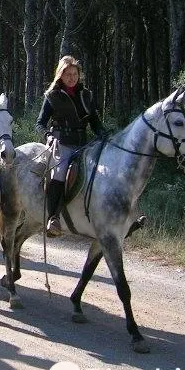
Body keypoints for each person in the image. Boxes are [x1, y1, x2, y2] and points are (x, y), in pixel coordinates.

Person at [36, 55, 105, 237]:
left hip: (84, 145)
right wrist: (48, 136)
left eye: (74, 74)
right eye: (68, 74)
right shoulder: (52, 96)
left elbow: (95, 122)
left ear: (79, 75)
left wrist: (105, 135)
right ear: (60, 75)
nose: (72, 78)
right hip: (62, 144)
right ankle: (53, 218)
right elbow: (40, 123)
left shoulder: (86, 95)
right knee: (59, 173)